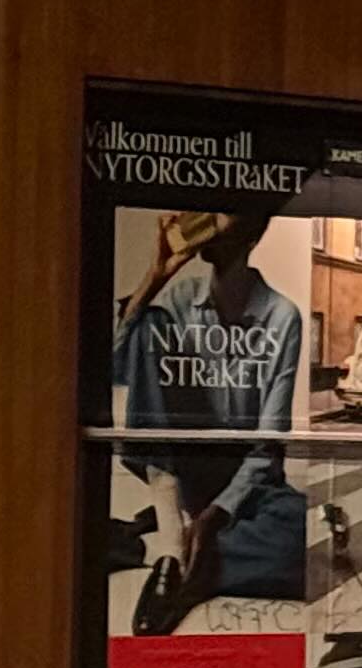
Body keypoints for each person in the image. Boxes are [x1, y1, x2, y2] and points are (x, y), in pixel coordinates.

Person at [113, 200, 305, 634]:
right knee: (149, 324)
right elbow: (118, 367)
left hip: (249, 485)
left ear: (251, 233)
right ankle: (171, 533)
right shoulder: (181, 299)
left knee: (308, 542)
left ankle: (163, 550)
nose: (210, 223)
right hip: (185, 469)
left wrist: (215, 513)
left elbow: (266, 445)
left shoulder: (281, 317)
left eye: (224, 213)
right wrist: (155, 277)